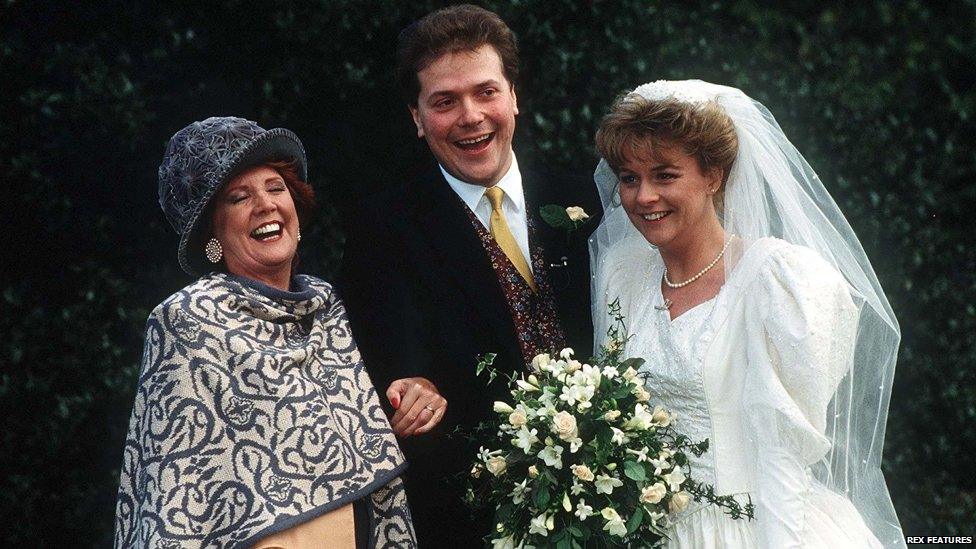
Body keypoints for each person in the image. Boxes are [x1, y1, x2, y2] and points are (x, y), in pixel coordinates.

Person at [590, 81, 906, 548]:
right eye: (630, 178)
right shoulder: (622, 271)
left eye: (666, 175)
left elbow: (784, 453)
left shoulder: (775, 279)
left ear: (713, 176)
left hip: (752, 525)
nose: (643, 197)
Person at [339, 5, 599, 546]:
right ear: (416, 117)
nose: (470, 116)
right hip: (471, 526)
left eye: (486, 92)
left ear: (514, 97)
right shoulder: (382, 232)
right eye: (444, 101)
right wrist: (410, 391)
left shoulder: (589, 203)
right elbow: (381, 371)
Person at [114, 117, 416, 548]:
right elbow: (172, 495)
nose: (266, 204)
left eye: (276, 188)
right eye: (239, 197)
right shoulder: (188, 319)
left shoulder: (328, 308)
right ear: (212, 235)